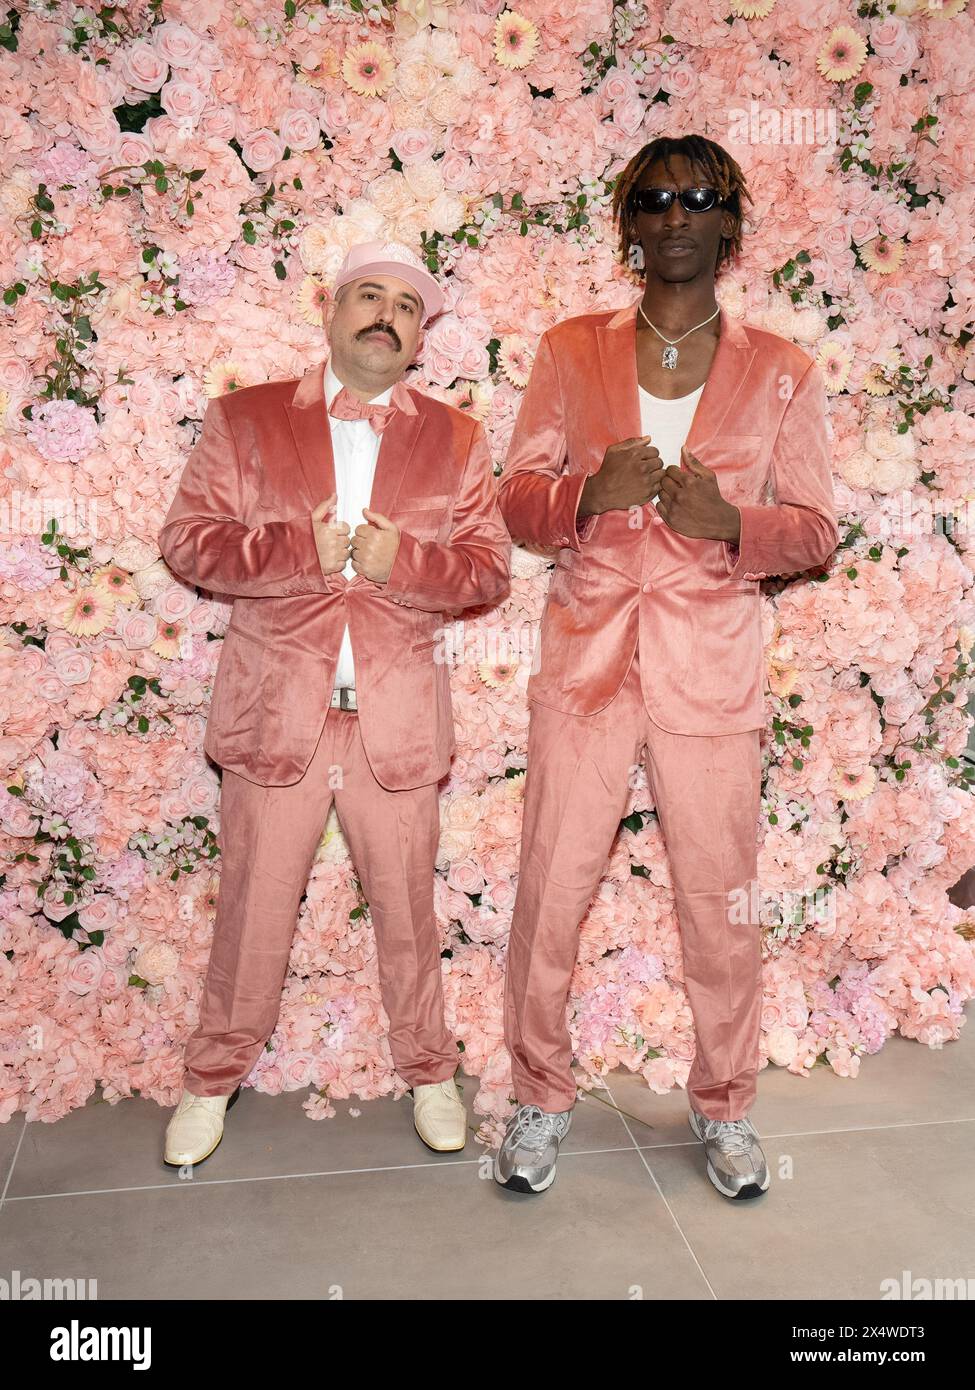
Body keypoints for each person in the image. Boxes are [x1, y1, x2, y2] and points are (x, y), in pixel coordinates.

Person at [494, 135, 839, 1199]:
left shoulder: (782, 368)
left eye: (698, 199)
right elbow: (516, 498)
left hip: (711, 673)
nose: (676, 216)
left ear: (729, 224)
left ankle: (725, 1102)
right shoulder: (569, 348)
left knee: (720, 901)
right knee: (550, 891)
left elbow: (818, 529)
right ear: (628, 222)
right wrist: (582, 499)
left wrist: (732, 521)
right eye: (654, 199)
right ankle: (539, 1096)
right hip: (587, 667)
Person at [158, 240, 510, 1167]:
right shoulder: (245, 419)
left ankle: (430, 1071)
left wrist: (406, 565)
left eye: (405, 304)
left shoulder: (458, 438)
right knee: (252, 909)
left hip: (395, 722)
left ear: (420, 338)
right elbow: (190, 544)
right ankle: (209, 1082)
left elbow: (485, 572)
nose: (385, 314)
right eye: (368, 295)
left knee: (406, 912)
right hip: (278, 719)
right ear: (330, 309)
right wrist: (295, 551)